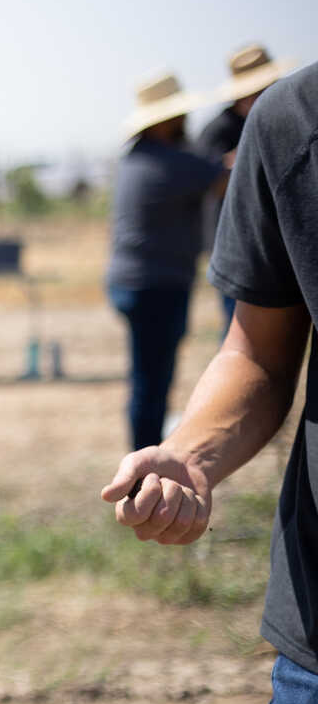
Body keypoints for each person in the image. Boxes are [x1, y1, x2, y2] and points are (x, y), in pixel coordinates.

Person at [101, 0, 318, 704]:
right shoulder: (288, 129)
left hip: (142, 286)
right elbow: (259, 348)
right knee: (149, 388)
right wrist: (188, 454)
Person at [106, 71, 226, 450]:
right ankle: (143, 462)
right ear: (167, 120)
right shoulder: (173, 162)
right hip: (157, 285)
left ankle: (144, 451)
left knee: (147, 377)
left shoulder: (134, 159)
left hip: (130, 281)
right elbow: (226, 176)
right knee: (151, 382)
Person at [196, 44, 296, 337]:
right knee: (241, 336)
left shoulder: (284, 119)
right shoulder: (219, 130)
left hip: (275, 239)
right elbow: (209, 183)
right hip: (236, 243)